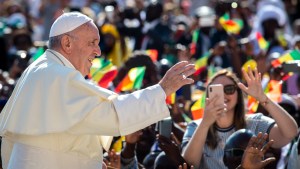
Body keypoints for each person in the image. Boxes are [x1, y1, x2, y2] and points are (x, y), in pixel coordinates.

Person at [0, 12, 196, 169]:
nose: (98, 51)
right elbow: (112, 114)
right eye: (92, 42)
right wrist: (162, 89)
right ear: (67, 43)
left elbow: (64, 133)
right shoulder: (57, 76)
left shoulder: (43, 69)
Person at [182, 68, 298, 169]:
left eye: (229, 89)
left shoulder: (256, 122)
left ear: (238, 95)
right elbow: (189, 163)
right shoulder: (195, 126)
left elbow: (290, 133)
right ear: (208, 96)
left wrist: (263, 98)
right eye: (216, 90)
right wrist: (205, 124)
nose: (223, 95)